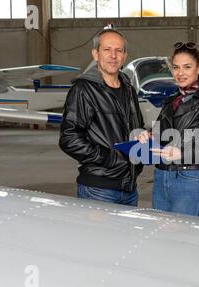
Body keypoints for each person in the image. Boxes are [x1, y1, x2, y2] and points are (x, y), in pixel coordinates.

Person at [138, 41, 199, 216]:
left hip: (189, 179)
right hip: (161, 177)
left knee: (181, 237)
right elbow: (158, 134)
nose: (180, 73)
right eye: (176, 67)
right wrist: (146, 136)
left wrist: (182, 154)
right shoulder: (170, 100)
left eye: (187, 67)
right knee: (161, 239)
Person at [59, 27, 144, 206]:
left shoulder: (129, 90)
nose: (113, 55)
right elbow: (69, 138)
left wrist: (144, 136)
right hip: (99, 189)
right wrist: (109, 158)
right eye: (107, 49)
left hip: (129, 188)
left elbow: (136, 129)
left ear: (124, 56)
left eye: (118, 50)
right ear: (95, 54)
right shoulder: (83, 89)